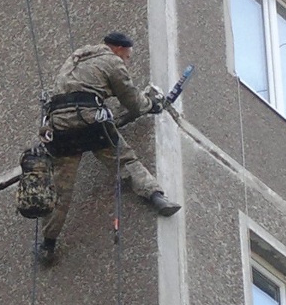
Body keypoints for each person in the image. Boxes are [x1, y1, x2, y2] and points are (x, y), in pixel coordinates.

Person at [38, 31, 181, 265]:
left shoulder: (75, 59)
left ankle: (48, 243)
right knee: (125, 160)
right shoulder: (112, 62)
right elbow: (132, 101)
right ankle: (156, 197)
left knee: (61, 189)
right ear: (118, 49)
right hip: (89, 122)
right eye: (127, 57)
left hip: (60, 126)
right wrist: (152, 105)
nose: (127, 61)